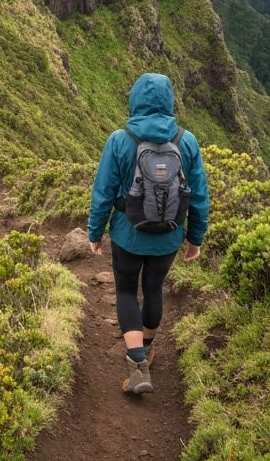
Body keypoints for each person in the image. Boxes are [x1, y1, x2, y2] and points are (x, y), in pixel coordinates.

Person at [87, 73, 209, 394]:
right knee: (153, 289)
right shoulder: (187, 140)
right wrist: (195, 238)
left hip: (128, 235)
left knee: (127, 291)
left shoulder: (120, 140)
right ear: (169, 102)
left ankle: (137, 363)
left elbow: (103, 191)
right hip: (168, 237)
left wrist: (95, 232)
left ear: (135, 100)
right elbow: (198, 196)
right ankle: (149, 347)